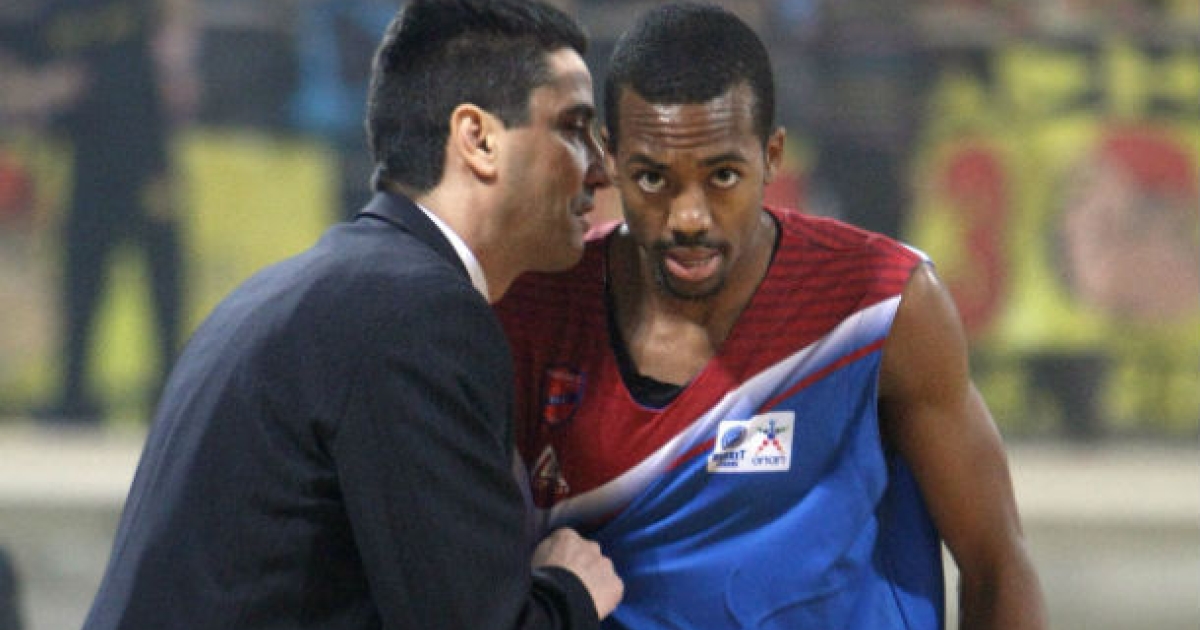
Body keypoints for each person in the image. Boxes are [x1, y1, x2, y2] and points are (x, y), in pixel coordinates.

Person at [494, 3, 1046, 629]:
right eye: (652, 179)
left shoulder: (884, 305)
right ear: (609, 159)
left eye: (723, 175)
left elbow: (997, 562)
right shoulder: (531, 307)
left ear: (773, 156)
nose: (689, 217)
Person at [83, 1, 621, 628]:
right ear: (478, 139)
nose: (600, 167)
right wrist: (570, 592)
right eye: (573, 128)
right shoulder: (419, 316)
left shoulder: (306, 291)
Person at [21, 0, 199, 423]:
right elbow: (24, 67)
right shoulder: (56, 14)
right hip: (89, 162)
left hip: (147, 159)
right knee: (81, 282)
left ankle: (169, 392)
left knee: (164, 282)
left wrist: (179, 59)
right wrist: (44, 87)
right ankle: (73, 394)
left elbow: (178, 34)